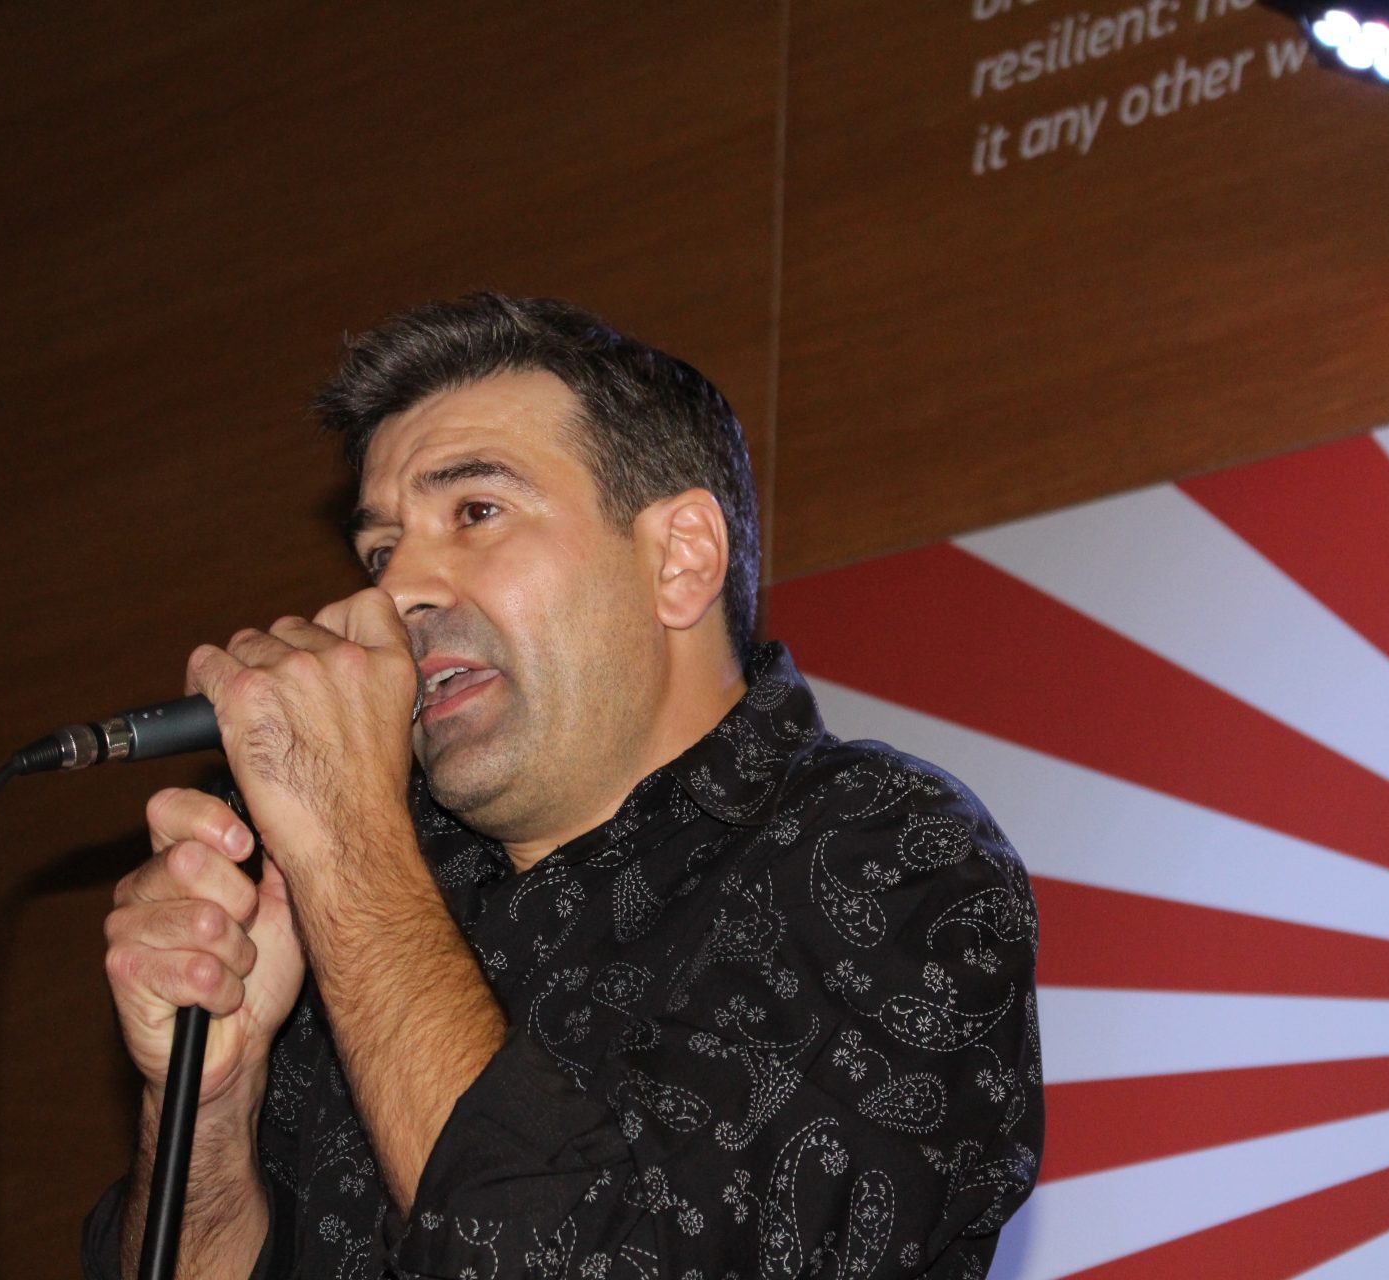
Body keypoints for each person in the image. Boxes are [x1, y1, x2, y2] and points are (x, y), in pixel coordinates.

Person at [83, 293, 1042, 1279]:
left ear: (681, 559)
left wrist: (348, 849)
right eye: (380, 549)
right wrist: (210, 1103)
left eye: (476, 511)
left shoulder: (885, 852)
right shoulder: (352, 904)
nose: (395, 590)